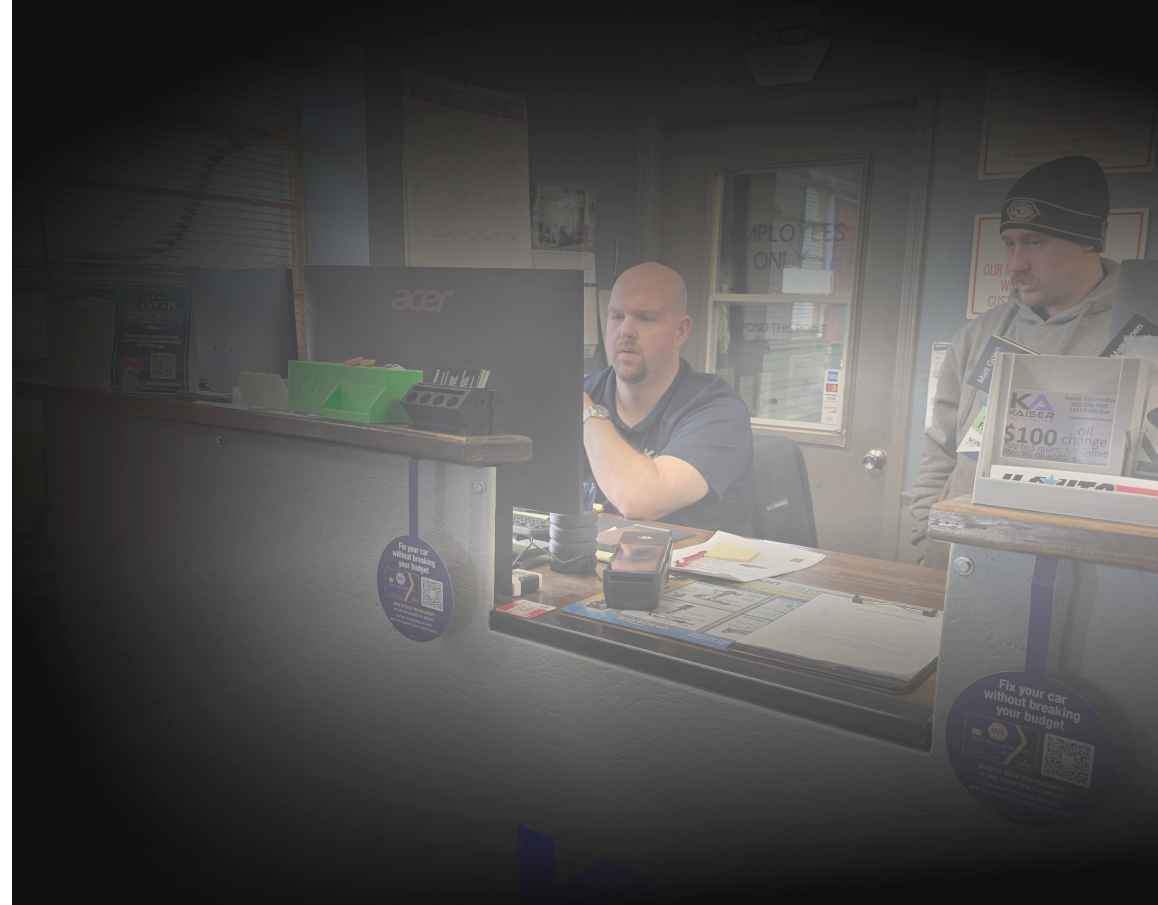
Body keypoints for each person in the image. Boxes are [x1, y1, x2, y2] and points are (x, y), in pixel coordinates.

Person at [911, 155, 1119, 566]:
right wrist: (924, 539)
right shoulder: (976, 336)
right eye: (1010, 243)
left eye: (1035, 242)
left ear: (1090, 240)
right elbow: (941, 446)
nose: (1015, 263)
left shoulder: (1141, 336)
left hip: (1089, 567)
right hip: (960, 556)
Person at [582, 262, 757, 533]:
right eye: (616, 316)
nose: (626, 331)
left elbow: (638, 500)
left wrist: (586, 412)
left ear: (680, 331)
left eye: (645, 318)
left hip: (691, 560)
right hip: (589, 557)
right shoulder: (585, 392)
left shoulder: (719, 410)